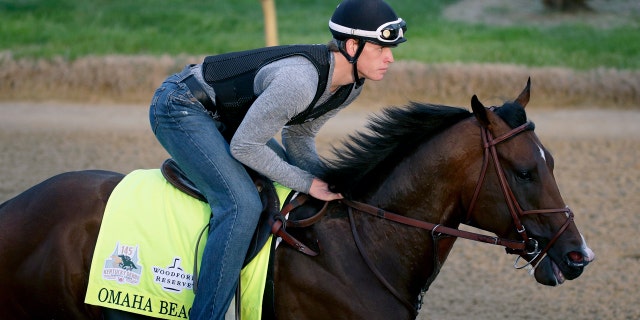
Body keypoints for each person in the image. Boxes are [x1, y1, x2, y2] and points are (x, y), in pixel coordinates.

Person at [148, 0, 407, 318]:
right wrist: (309, 182)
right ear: (353, 45)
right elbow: (245, 148)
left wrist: (330, 182)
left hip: (228, 119)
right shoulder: (299, 82)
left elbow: (298, 137)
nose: (390, 57)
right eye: (382, 48)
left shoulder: (350, 85)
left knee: (293, 187)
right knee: (241, 205)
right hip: (180, 107)